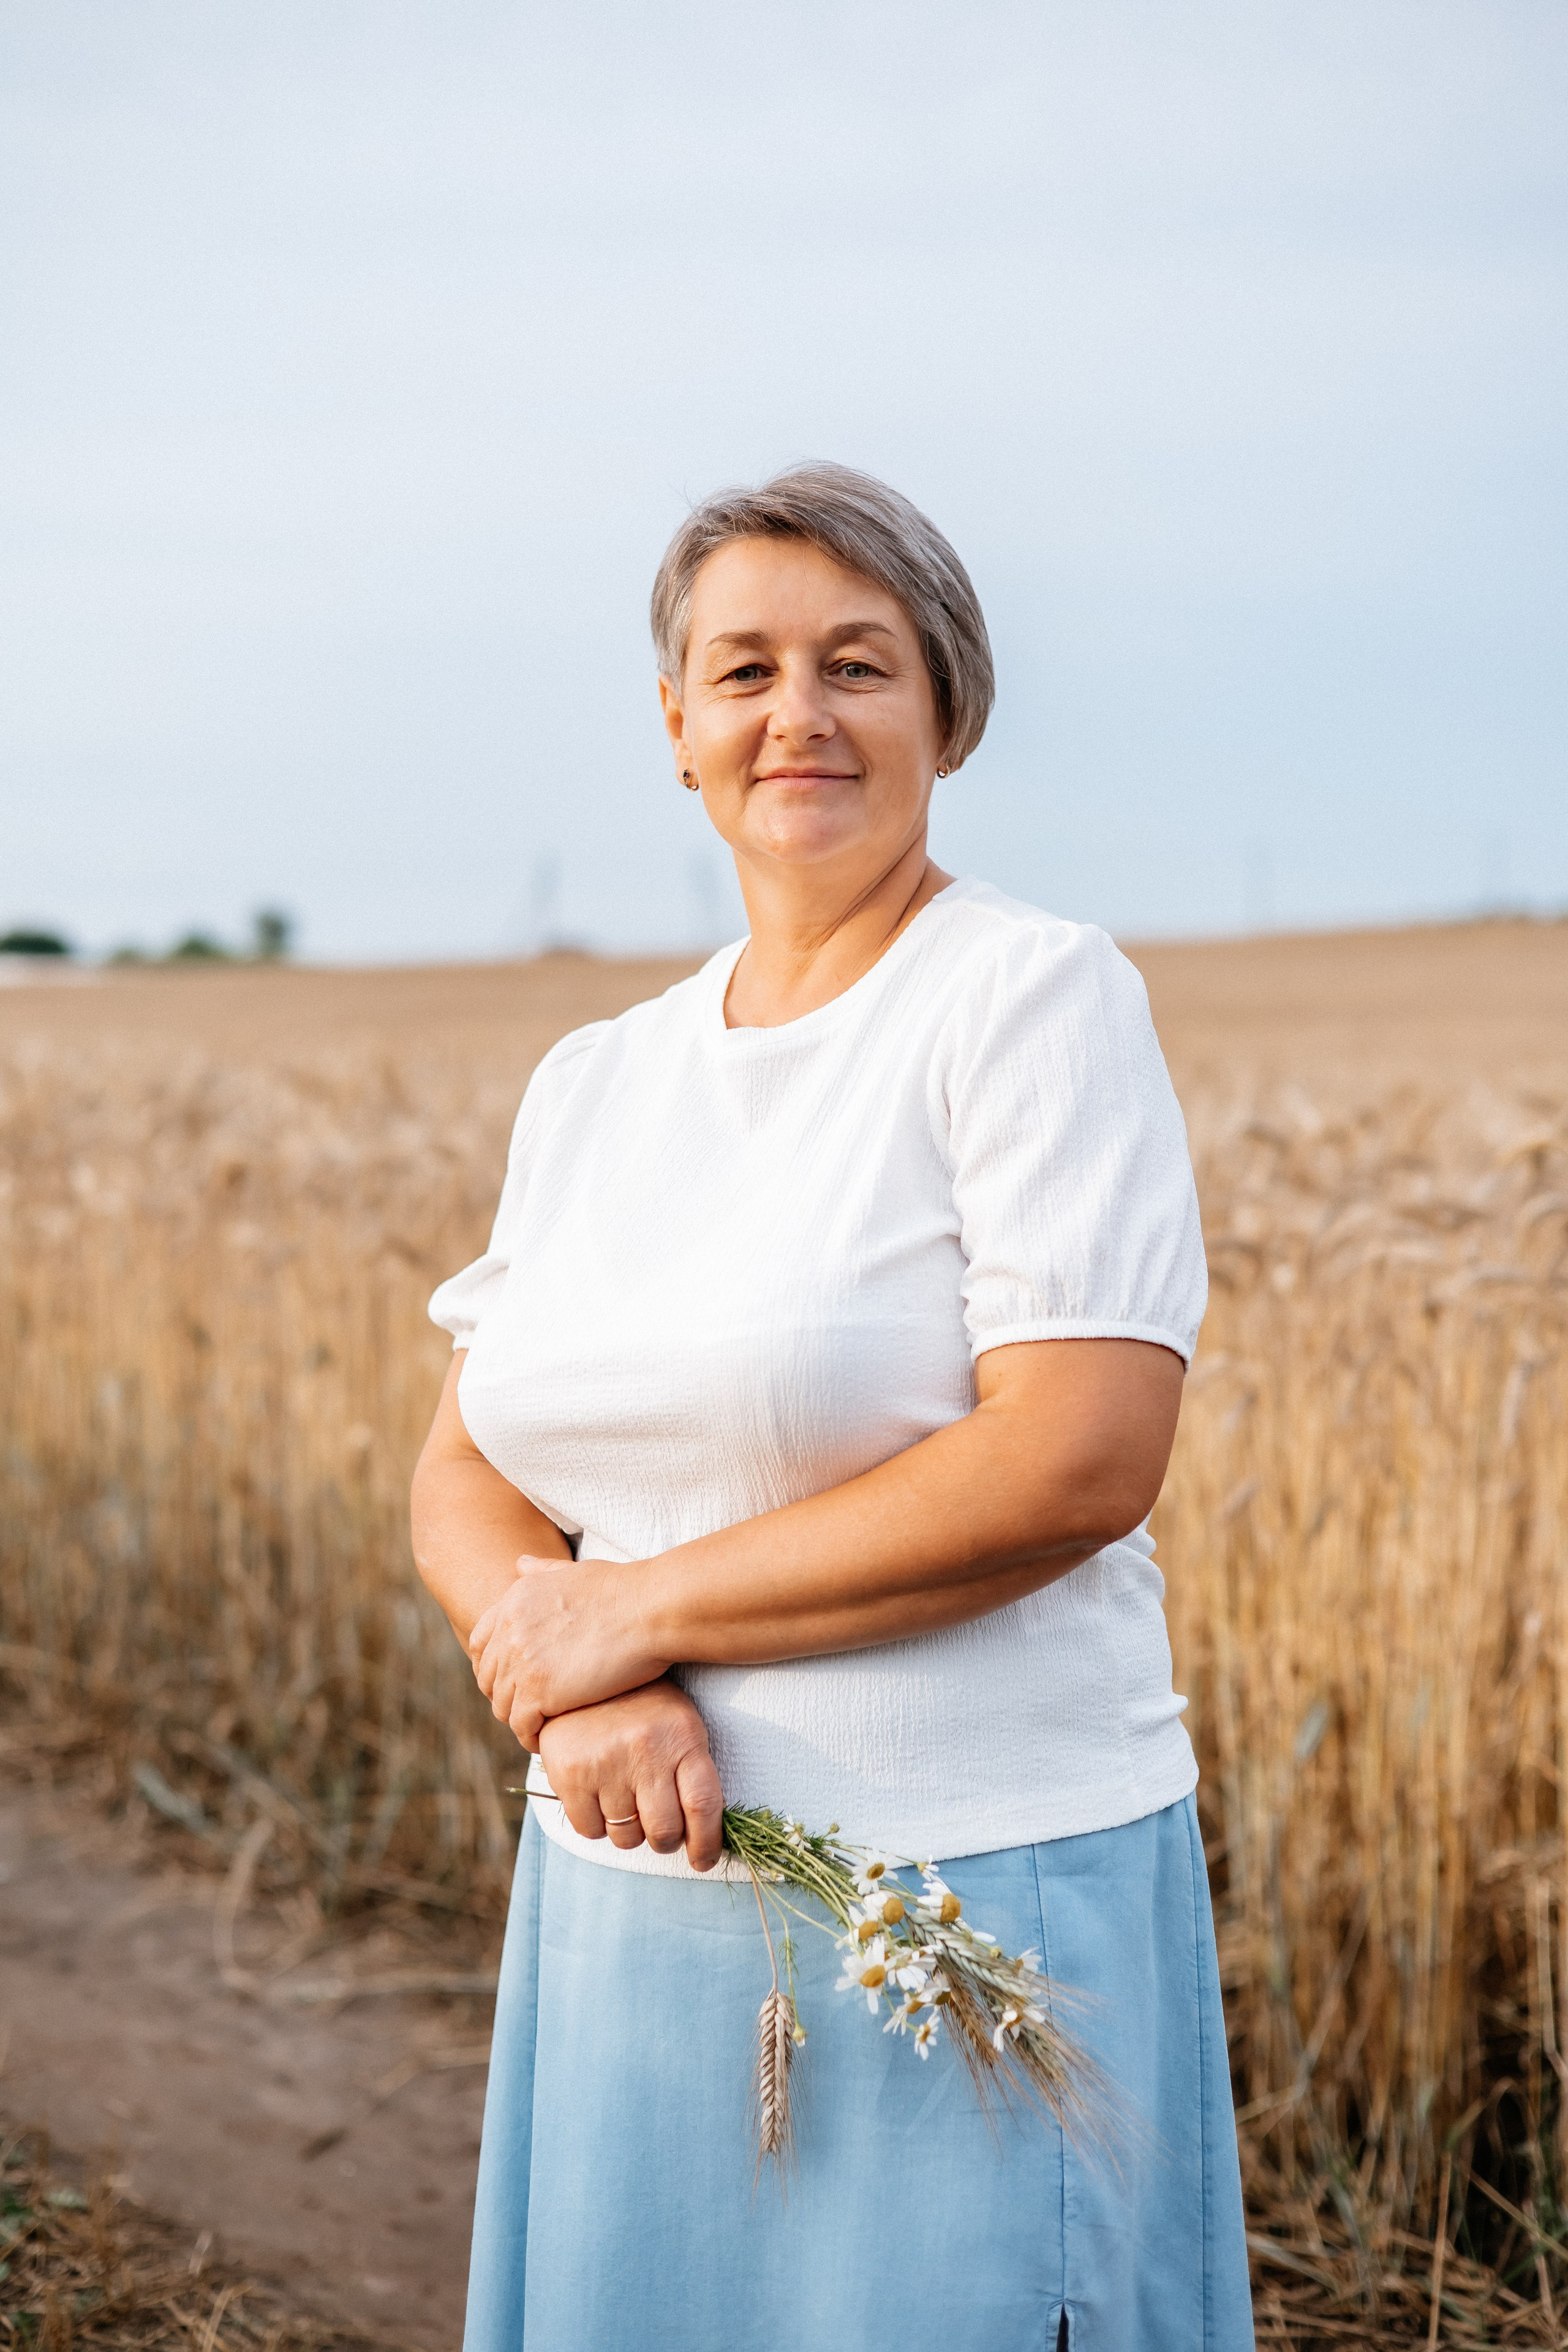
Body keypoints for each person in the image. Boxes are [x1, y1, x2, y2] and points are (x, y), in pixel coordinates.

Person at [412, 462, 1253, 2351]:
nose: (797, 715)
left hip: (956, 1903)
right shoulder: (600, 1075)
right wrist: (580, 1676)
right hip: (634, 1892)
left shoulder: (1028, 1001)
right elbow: (465, 1467)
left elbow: (1075, 1459)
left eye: (858, 665)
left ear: (948, 709)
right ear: (676, 725)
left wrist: (635, 1609)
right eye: (746, 670)